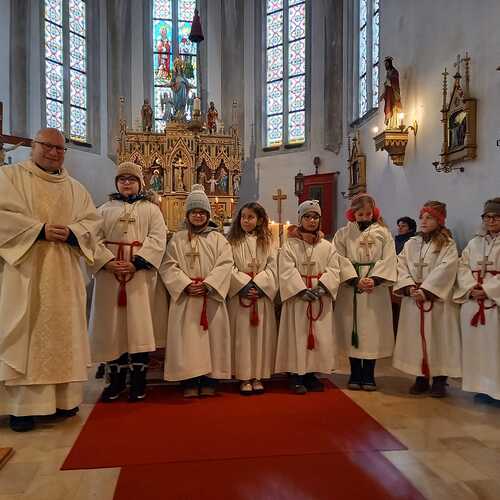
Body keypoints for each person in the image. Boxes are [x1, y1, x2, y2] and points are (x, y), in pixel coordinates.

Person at [0, 128, 100, 432]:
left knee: (64, 336)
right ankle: (23, 408)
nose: (54, 152)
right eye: (47, 146)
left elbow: (92, 223)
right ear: (33, 146)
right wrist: (38, 230)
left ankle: (63, 401)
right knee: (27, 334)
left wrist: (73, 233)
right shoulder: (10, 178)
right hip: (25, 272)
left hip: (64, 275)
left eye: (59, 148)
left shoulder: (75, 189)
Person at [89, 162, 167, 402]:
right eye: (122, 179)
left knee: (138, 326)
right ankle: (116, 382)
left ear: (140, 183)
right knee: (112, 327)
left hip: (139, 278)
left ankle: (138, 382)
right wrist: (108, 261)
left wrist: (137, 263)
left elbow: (158, 238)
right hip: (110, 276)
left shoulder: (151, 210)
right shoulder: (103, 210)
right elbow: (93, 239)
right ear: (116, 183)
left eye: (131, 179)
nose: (126, 183)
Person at [160, 185, 233, 397]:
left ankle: (210, 379)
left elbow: (225, 264)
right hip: (186, 297)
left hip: (210, 296)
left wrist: (209, 284)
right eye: (194, 212)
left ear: (208, 215)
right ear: (188, 214)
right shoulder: (178, 239)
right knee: (188, 342)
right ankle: (189, 381)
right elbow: (168, 265)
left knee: (213, 340)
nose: (198, 216)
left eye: (202, 212)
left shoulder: (218, 239)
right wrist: (185, 284)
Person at [393, 201, 461, 398]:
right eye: (422, 217)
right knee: (417, 337)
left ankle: (439, 379)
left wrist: (426, 290)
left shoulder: (447, 244)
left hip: (437, 301)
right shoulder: (411, 243)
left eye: (429, 217)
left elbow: (447, 268)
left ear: (439, 220)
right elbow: (401, 264)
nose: (423, 221)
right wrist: (408, 286)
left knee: (439, 338)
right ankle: (421, 377)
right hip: (414, 297)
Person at [275, 200, 341, 394]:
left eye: (315, 217)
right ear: (300, 219)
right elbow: (286, 270)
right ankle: (296, 375)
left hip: (319, 297)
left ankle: (311, 373)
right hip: (298, 298)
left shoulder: (327, 246)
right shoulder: (290, 245)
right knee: (298, 335)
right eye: (307, 217)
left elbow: (334, 269)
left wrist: (322, 288)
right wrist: (301, 290)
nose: (312, 221)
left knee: (318, 336)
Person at [333, 194, 397, 391]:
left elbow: (389, 259)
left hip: (375, 290)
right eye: (360, 214)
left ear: (373, 212)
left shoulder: (383, 233)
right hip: (351, 288)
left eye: (368, 214)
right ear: (353, 214)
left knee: (372, 332)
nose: (364, 217)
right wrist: (354, 280)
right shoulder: (343, 233)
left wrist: (375, 280)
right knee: (352, 330)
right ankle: (355, 373)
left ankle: (369, 375)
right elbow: (337, 258)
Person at [227, 203, 278, 395]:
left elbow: (274, 266)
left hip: (261, 297)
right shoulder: (231, 241)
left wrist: (260, 285)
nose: (246, 221)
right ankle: (244, 377)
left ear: (260, 220)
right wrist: (244, 285)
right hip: (241, 296)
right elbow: (227, 265)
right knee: (242, 338)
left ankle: (258, 376)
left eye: (250, 217)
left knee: (261, 337)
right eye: (243, 217)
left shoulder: (269, 241)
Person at [454, 198, 500, 402]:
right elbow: (462, 267)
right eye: (487, 217)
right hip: (473, 302)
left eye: (496, 217)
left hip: (494, 304)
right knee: (478, 349)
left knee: (495, 349)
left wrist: (488, 290)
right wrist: (471, 287)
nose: (491, 221)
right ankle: (482, 387)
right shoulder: (474, 243)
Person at [380, 56, 402, 129]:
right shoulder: (387, 73)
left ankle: (394, 124)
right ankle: (390, 124)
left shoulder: (394, 72)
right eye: (385, 64)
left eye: (386, 64)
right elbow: (386, 84)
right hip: (388, 95)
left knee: (393, 107)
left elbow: (395, 82)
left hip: (393, 94)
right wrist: (383, 94)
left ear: (389, 63)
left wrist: (389, 82)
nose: (385, 66)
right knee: (388, 107)